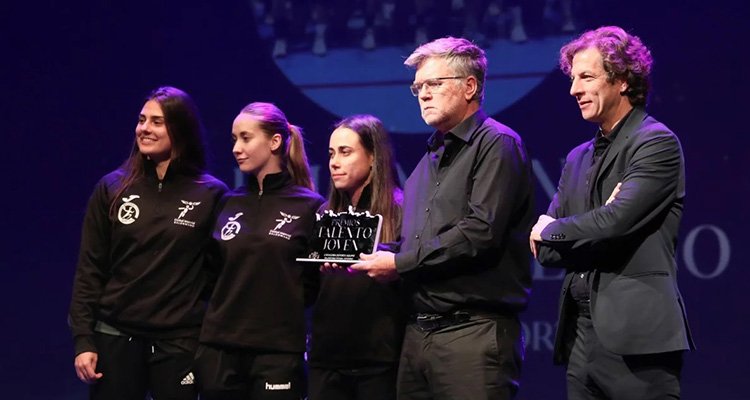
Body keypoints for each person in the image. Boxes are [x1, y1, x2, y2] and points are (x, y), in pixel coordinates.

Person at [352, 36, 534, 399]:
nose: (423, 94)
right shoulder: (426, 163)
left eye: (434, 84)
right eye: (418, 86)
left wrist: (400, 263)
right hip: (418, 336)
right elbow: (414, 244)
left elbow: (479, 233)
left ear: (470, 86)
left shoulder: (497, 144)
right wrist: (363, 256)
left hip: (472, 335)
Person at [530, 26, 695, 399]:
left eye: (586, 77)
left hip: (637, 341)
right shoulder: (577, 159)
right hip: (580, 338)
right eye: (573, 79)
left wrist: (558, 227)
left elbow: (616, 221)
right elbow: (550, 250)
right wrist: (585, 226)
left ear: (622, 80)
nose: (574, 89)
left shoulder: (655, 142)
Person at [68, 86, 229, 399]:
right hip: (114, 336)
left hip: (179, 342)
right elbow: (90, 268)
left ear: (180, 129)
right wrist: (83, 341)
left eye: (157, 121)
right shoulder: (113, 187)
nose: (144, 128)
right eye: (142, 120)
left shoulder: (212, 194)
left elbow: (218, 273)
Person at [195, 102, 324, 400]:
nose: (236, 148)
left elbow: (313, 283)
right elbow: (210, 273)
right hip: (219, 349)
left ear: (275, 141)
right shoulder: (228, 202)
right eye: (234, 139)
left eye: (246, 137)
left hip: (277, 352)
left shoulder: (310, 207)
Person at [308, 114, 405, 400]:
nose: (334, 162)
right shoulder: (325, 213)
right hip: (328, 361)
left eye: (345, 152)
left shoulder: (402, 211)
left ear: (373, 157)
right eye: (331, 154)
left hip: (380, 362)